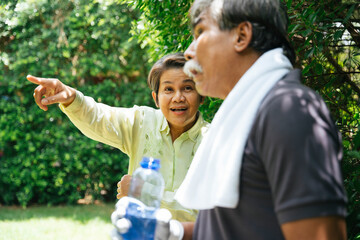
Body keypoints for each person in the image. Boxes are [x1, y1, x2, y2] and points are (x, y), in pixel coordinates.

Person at [173, 0, 348, 239]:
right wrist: (168, 232)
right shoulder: (242, 114)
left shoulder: (289, 110)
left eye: (201, 32)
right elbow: (234, 228)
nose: (189, 51)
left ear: (241, 35)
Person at [27, 53, 210, 224]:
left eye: (187, 88)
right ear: (156, 98)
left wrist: (143, 191)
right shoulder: (142, 121)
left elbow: (204, 208)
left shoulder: (212, 140)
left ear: (201, 94)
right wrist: (70, 98)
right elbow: (100, 118)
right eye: (168, 89)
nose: (178, 97)